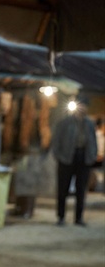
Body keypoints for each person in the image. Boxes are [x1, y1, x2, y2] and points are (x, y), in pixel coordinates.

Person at [50, 96, 98, 226]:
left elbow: (93, 141)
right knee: (63, 188)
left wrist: (92, 155)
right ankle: (61, 216)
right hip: (67, 156)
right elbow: (56, 140)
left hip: (83, 157)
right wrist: (58, 155)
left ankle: (79, 217)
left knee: (81, 189)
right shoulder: (65, 122)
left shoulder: (89, 123)